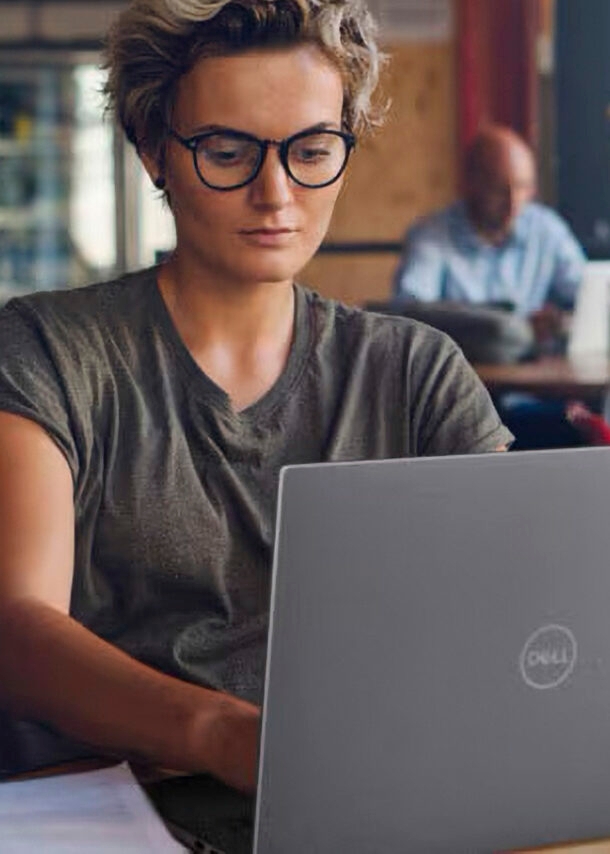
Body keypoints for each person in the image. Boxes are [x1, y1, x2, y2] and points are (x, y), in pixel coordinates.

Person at [0, 1, 512, 850]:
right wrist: (228, 737)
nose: (276, 194)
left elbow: (519, 615)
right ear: (153, 150)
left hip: (362, 816)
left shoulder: (417, 375)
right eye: (228, 152)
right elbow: (18, 629)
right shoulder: (51, 352)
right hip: (110, 818)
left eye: (311, 152)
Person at [393, 124, 586, 346]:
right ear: (470, 183)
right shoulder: (432, 234)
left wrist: (562, 321)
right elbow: (411, 310)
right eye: (499, 190)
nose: (513, 203)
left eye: (523, 187)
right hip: (460, 372)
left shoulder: (547, 229)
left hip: (533, 373)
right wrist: (517, 328)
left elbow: (588, 295)